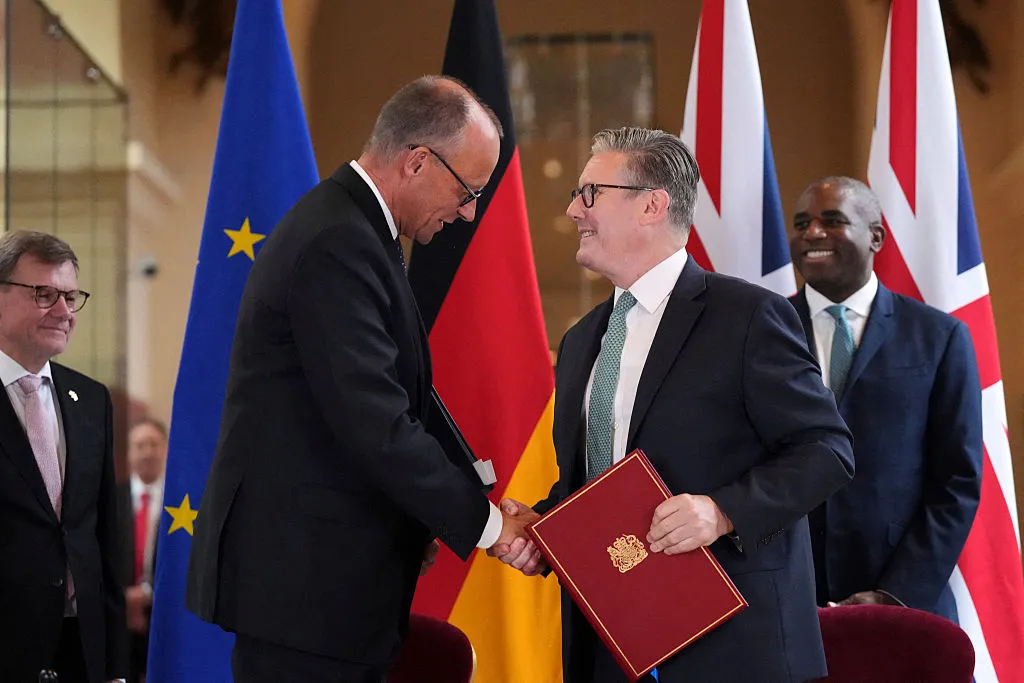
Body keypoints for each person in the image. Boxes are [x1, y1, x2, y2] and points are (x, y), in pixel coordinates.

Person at [185, 76, 535, 683]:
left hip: (323, 591)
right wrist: (491, 528)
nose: (469, 212)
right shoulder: (337, 242)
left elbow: (399, 402)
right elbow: (375, 424)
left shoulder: (356, 230)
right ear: (418, 160)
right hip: (306, 594)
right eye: (468, 190)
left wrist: (454, 507)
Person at [493, 128, 855, 683]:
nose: (572, 210)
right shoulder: (581, 340)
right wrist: (545, 530)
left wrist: (723, 511)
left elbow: (827, 449)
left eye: (589, 193)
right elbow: (597, 481)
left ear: (651, 205)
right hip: (608, 644)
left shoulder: (747, 317)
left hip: (732, 649)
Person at [788, 176, 982, 621]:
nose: (812, 233)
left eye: (832, 221)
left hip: (902, 598)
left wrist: (897, 594)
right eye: (802, 223)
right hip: (788, 599)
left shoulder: (939, 337)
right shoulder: (759, 330)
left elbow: (957, 481)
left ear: (876, 236)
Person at [0, 230, 127, 682]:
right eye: (44, 294)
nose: (63, 312)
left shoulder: (92, 400)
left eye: (71, 297)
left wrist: (115, 666)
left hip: (82, 651)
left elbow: (104, 542)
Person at [117, 417, 168, 682]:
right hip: (117, 616)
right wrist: (124, 596)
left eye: (154, 444)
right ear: (129, 452)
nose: (148, 452)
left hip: (165, 616)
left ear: (165, 449)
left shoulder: (181, 503)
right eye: (140, 445)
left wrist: (147, 593)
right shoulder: (110, 500)